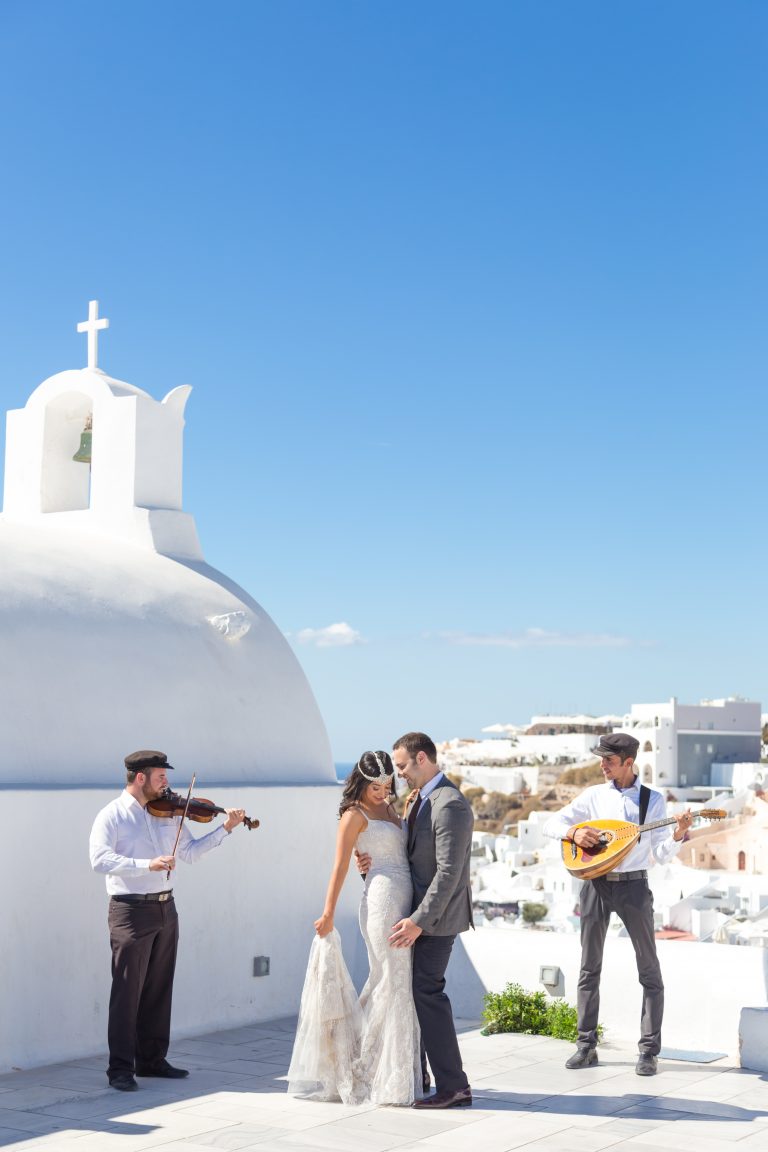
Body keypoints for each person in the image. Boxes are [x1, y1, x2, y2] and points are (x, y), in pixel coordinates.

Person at [89, 750, 245, 1092]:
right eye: (161, 777)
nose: (167, 784)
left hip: (165, 908)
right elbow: (99, 859)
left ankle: (151, 1060)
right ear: (140, 777)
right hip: (130, 911)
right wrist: (147, 864)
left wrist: (226, 828)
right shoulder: (112, 815)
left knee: (159, 988)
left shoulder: (168, 813)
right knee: (127, 991)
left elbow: (189, 853)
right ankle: (120, 1069)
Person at [543, 732, 692, 1076]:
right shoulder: (593, 796)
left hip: (634, 887)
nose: (602, 766)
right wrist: (574, 833)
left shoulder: (652, 800)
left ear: (628, 762)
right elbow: (553, 823)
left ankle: (649, 1052)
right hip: (595, 884)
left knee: (649, 969)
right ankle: (585, 1046)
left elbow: (659, 853)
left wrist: (677, 834)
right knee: (589, 967)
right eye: (601, 759)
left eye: (609, 760)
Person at [288, 750, 421, 1106]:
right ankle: (369, 1073)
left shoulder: (392, 808)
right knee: (391, 980)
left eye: (387, 786)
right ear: (361, 783)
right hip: (381, 902)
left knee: (391, 982)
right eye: (376, 787)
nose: (383, 793)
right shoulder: (353, 815)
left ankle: (370, 1068)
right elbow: (340, 866)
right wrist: (328, 912)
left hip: (405, 899)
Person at [357, 732, 474, 1110]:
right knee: (411, 993)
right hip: (414, 914)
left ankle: (454, 1086)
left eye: (403, 766)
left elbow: (449, 873)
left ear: (422, 758)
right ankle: (418, 1075)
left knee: (427, 993)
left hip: (436, 920)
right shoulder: (420, 800)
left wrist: (419, 921)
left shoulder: (449, 804)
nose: (399, 774)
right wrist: (369, 865)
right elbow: (409, 859)